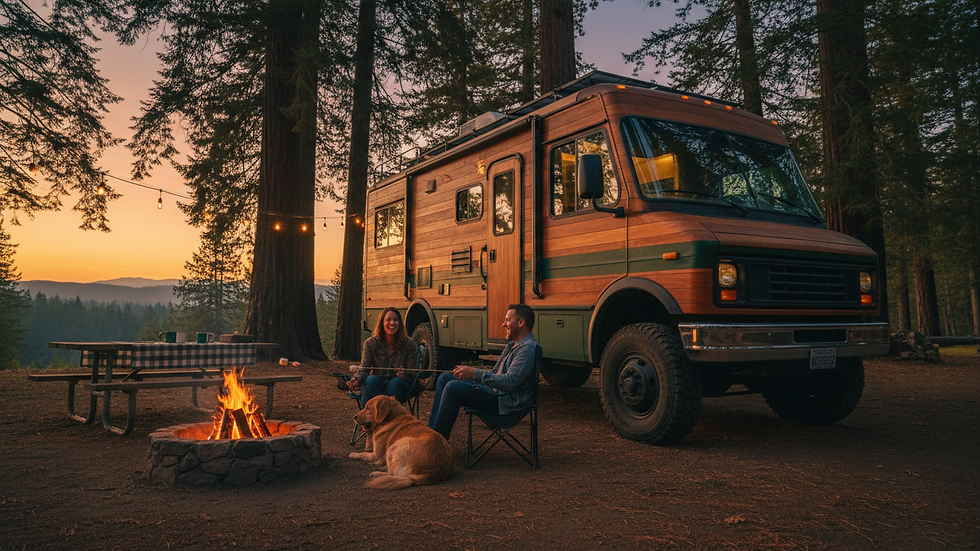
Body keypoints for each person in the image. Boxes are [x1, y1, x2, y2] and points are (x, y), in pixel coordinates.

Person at [428, 303, 542, 441]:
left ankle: (437, 443)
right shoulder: (513, 345)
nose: (503, 324)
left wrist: (475, 373)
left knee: (453, 388)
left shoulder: (528, 349)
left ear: (521, 322)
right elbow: (494, 373)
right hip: (495, 393)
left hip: (505, 403)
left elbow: (511, 382)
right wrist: (468, 373)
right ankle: (431, 435)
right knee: (445, 378)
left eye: (507, 320)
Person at [347, 307, 420, 410]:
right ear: (382, 323)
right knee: (372, 379)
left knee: (396, 382)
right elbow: (364, 368)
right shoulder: (370, 343)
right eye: (388, 319)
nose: (392, 323)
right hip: (377, 384)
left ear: (399, 323)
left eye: (395, 319)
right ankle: (367, 421)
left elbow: (413, 374)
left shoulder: (409, 344)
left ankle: (389, 422)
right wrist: (357, 379)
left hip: (399, 387)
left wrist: (403, 374)